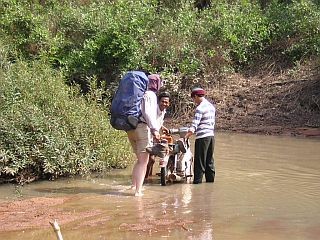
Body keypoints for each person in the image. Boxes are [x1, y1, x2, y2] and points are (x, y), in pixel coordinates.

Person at [127, 74, 163, 196]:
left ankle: (133, 186)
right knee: (144, 162)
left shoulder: (140, 93)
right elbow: (148, 113)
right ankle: (138, 191)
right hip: (142, 128)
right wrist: (155, 130)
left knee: (139, 160)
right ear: (156, 84)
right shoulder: (150, 95)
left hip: (131, 128)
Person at [184, 87, 216, 184]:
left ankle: (197, 183)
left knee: (199, 162)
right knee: (209, 160)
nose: (194, 101)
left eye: (194, 98)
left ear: (196, 96)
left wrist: (186, 136)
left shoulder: (200, 108)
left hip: (202, 137)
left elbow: (194, 125)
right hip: (211, 137)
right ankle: (210, 182)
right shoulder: (211, 106)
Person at [145, 91, 171, 179]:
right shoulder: (154, 110)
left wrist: (163, 127)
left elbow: (158, 121)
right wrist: (154, 133)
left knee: (151, 159)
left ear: (169, 103)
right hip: (148, 135)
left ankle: (148, 177)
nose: (164, 104)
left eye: (166, 102)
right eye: (162, 101)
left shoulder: (163, 111)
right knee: (151, 159)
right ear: (158, 102)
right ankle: (145, 178)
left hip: (155, 135)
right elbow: (150, 121)